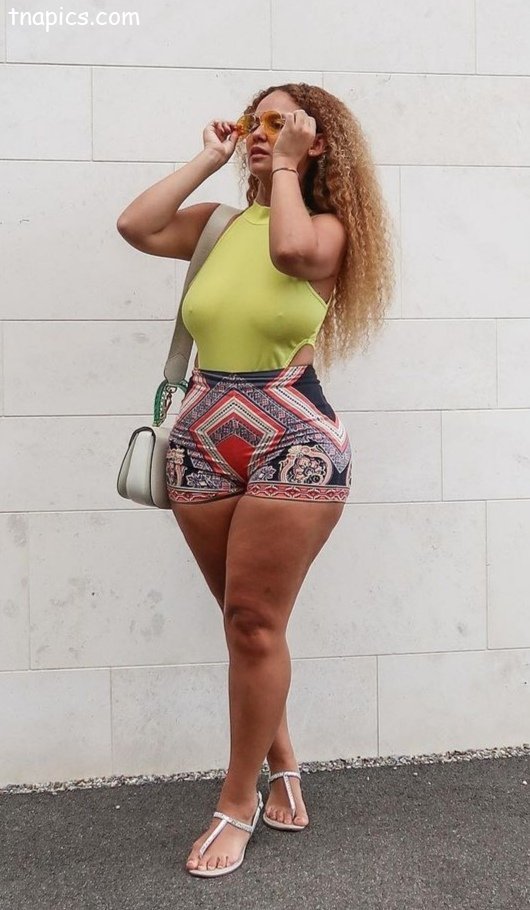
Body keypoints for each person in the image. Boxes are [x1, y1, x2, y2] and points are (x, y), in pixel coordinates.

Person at [116, 81, 395, 878]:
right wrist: (210, 157)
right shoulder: (217, 227)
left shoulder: (330, 231)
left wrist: (287, 169)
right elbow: (136, 225)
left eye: (280, 123)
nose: (260, 133)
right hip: (201, 438)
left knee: (253, 622)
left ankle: (236, 804)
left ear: (316, 141)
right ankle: (284, 763)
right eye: (253, 121)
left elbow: (290, 254)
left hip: (292, 437)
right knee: (245, 625)